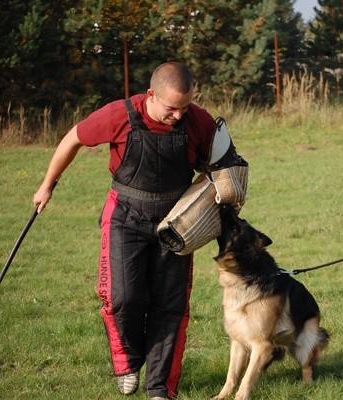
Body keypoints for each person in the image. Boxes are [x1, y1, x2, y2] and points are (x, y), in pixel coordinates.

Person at [33, 62, 216, 398]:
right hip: (125, 216)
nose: (179, 115)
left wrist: (215, 195)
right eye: (172, 108)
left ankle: (160, 387)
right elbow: (73, 138)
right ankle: (128, 362)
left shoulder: (199, 121)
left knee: (170, 305)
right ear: (151, 95)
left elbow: (225, 164)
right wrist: (47, 185)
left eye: (185, 107)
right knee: (123, 297)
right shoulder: (119, 115)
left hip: (176, 222)